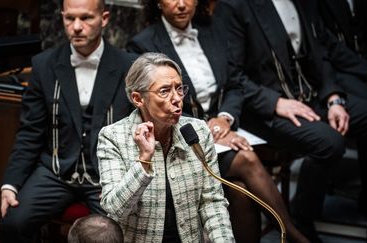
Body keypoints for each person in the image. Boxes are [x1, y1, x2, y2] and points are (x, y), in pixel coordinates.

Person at [126, 0, 308, 242]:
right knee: (247, 157)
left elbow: (234, 84)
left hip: (223, 126)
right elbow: (155, 106)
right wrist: (207, 128)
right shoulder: (142, 43)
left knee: (241, 192)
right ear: (158, 2)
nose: (181, 5)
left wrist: (224, 118)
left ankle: (289, 233)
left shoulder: (214, 29)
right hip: (179, 139)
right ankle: (294, 235)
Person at [214, 0, 367, 242]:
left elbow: (321, 53)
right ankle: (301, 219)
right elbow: (232, 75)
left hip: (312, 93)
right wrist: (275, 103)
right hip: (264, 105)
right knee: (329, 142)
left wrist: (333, 97)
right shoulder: (235, 6)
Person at [0, 0, 136, 241]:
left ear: (104, 19)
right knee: (13, 224)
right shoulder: (44, 65)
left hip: (107, 175)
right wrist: (10, 184)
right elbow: (30, 131)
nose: (76, 26)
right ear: (62, 17)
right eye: (69, 18)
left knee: (117, 233)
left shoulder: (129, 65)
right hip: (55, 171)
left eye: (86, 18)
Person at [97, 52, 235, 242]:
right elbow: (114, 208)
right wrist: (144, 159)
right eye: (164, 91)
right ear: (138, 99)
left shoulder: (198, 131)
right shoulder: (113, 137)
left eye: (179, 88)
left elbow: (212, 201)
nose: (177, 98)